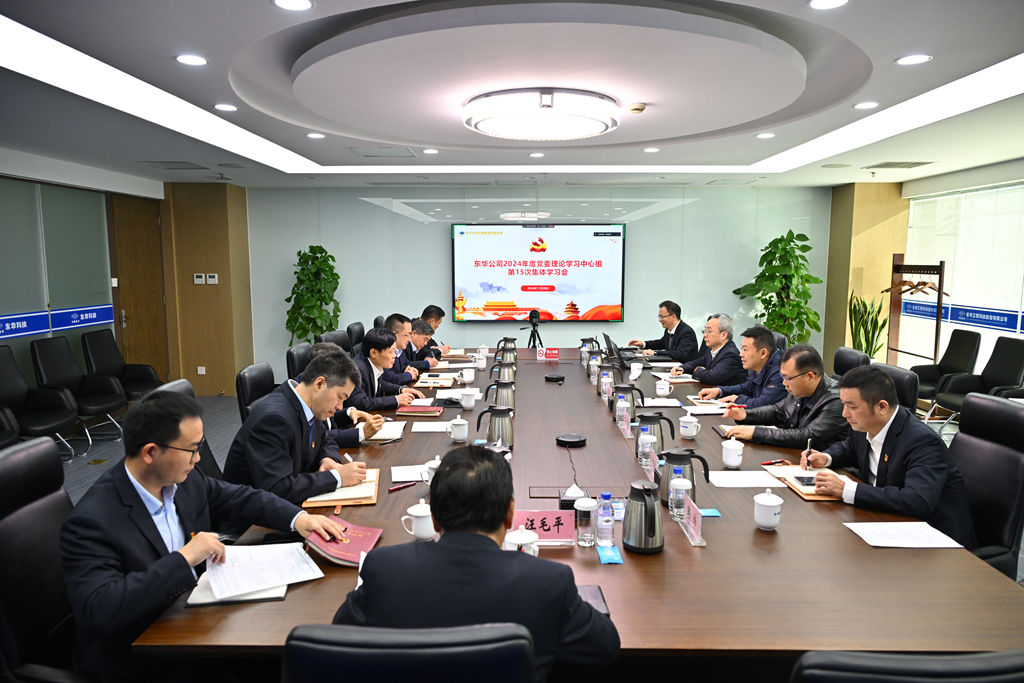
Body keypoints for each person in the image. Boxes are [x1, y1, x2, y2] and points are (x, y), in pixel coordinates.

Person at [61, 391, 344, 682]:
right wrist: (185, 557)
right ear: (150, 453)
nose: (198, 458)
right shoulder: (92, 521)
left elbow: (240, 497)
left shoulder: (183, 479)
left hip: (193, 620)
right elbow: (100, 608)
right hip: (142, 657)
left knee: (297, 653)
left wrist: (299, 518)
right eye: (192, 450)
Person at [333, 445, 619, 682]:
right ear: (510, 514)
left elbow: (339, 634)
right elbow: (605, 648)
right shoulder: (548, 582)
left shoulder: (385, 569)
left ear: (434, 518)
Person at [803, 365, 977, 547]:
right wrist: (826, 457)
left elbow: (917, 500)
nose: (844, 413)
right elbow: (849, 448)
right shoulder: (864, 424)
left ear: (882, 407)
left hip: (936, 542)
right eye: (844, 404)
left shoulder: (922, 442)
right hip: (885, 522)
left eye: (851, 406)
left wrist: (847, 489)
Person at [224, 346, 368, 504]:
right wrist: (337, 477)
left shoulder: (307, 403)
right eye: (340, 397)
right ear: (319, 384)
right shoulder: (274, 420)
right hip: (251, 512)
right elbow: (279, 488)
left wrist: (327, 459)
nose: (340, 407)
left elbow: (325, 439)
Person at [722, 344, 849, 450]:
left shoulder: (837, 400)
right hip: (796, 455)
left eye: (788, 378)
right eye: (783, 377)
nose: (784, 383)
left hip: (827, 467)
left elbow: (806, 436)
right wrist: (746, 415)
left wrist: (756, 432)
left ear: (810, 376)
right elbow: (778, 411)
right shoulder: (800, 389)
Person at [304, 342, 384, 445]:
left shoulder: (320, 395)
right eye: (339, 397)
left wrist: (348, 414)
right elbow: (318, 438)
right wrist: (361, 433)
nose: (340, 407)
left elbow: (328, 423)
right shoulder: (301, 406)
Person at [697, 325, 786, 408]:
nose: (741, 354)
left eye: (745, 350)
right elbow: (746, 388)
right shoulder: (760, 365)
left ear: (763, 353)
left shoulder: (781, 371)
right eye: (741, 349)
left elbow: (763, 403)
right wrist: (719, 391)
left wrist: (738, 400)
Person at [344, 326, 424, 412]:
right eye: (391, 352)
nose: (395, 356)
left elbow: (380, 384)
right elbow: (360, 403)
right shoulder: (356, 370)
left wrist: (401, 389)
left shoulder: (372, 363)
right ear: (374, 353)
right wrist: (396, 400)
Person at [670, 313, 746, 386]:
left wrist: (697, 370)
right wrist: (682, 368)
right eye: (704, 331)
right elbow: (697, 363)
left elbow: (710, 378)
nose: (705, 335)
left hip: (728, 394)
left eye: (709, 331)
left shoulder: (731, 354)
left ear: (723, 335)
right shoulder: (711, 349)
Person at [627, 300, 698, 363]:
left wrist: (655, 353)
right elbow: (661, 343)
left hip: (685, 370)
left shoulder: (687, 332)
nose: (660, 320)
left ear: (673, 317)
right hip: (672, 367)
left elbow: (679, 354)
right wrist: (643, 344)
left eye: (662, 317)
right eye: (659, 316)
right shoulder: (668, 329)